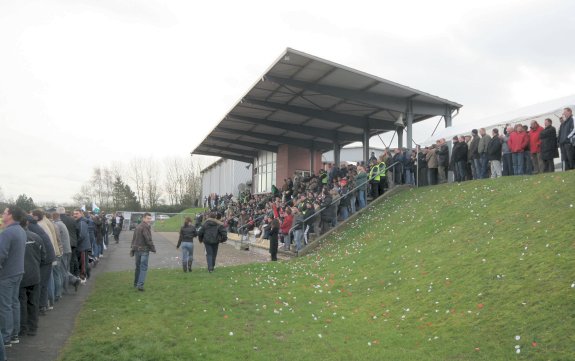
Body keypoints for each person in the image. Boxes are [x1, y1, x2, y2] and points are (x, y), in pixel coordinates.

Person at [0, 206, 27, 348]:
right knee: (13, 303)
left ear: (10, 215)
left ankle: (6, 337)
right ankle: (14, 334)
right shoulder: (21, 230)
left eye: (4, 212)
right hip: (18, 272)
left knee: (5, 306)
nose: (2, 214)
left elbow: (1, 255)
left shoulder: (7, 233)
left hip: (7, 274)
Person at [18, 217, 46, 337]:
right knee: (33, 302)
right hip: (35, 273)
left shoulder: (16, 238)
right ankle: (33, 328)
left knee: (21, 302)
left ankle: (23, 328)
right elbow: (43, 256)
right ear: (27, 223)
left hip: (21, 275)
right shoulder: (36, 237)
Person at [130, 213, 155, 291]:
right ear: (143, 218)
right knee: (143, 268)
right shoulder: (145, 227)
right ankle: (140, 285)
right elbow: (148, 239)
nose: (149, 220)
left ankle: (136, 283)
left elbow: (134, 239)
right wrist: (153, 248)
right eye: (148, 218)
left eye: (150, 218)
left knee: (138, 267)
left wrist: (133, 248)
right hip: (143, 250)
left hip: (137, 249)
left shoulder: (138, 226)